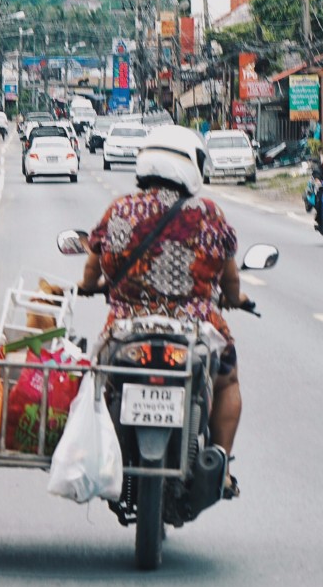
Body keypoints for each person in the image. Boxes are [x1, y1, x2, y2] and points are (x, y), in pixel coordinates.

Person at [76, 123, 251, 489]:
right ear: (191, 164)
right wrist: (236, 300)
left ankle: (104, 453)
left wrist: (88, 286)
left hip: (127, 326)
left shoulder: (121, 208)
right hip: (195, 328)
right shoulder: (208, 214)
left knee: (103, 383)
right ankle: (222, 464)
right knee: (227, 378)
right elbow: (230, 278)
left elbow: (93, 263)